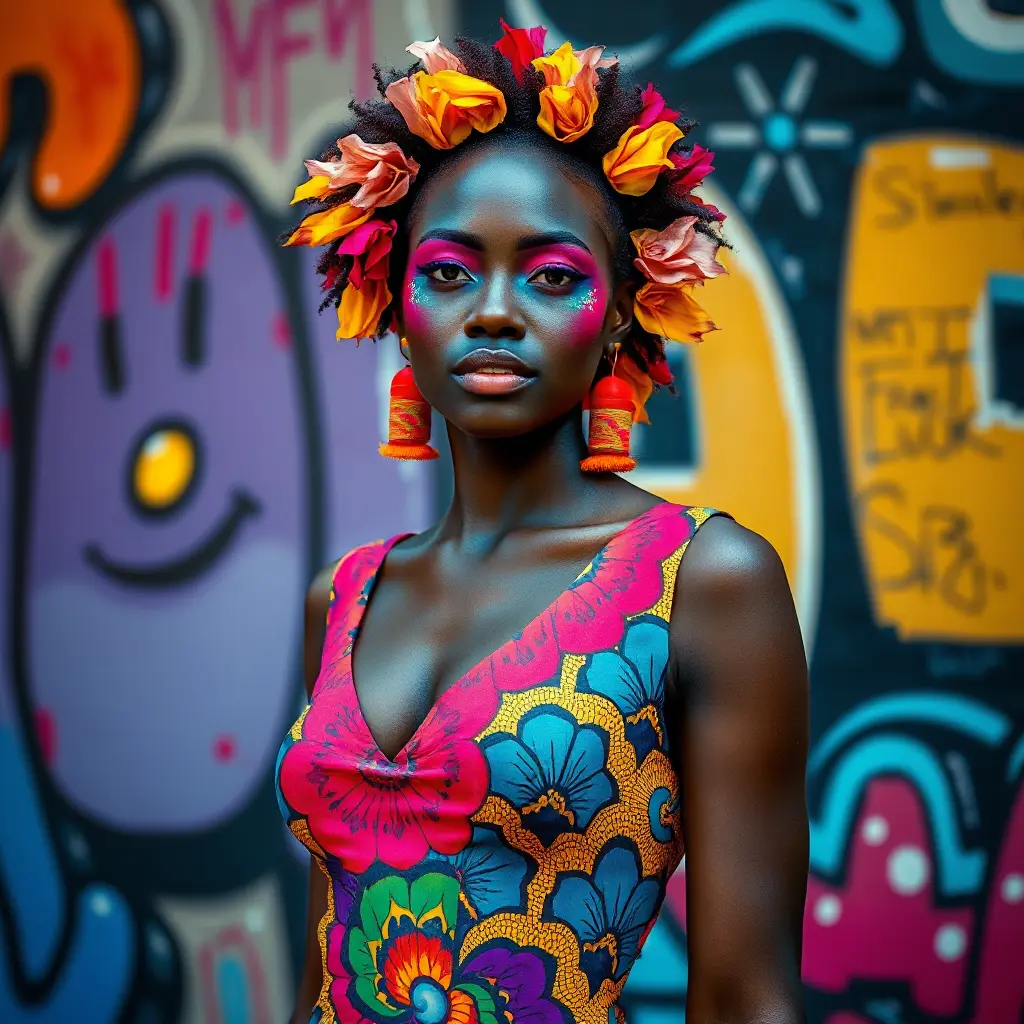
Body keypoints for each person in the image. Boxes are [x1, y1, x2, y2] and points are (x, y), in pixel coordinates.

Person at [276, 22, 808, 1024]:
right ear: (395, 305)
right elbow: (320, 964)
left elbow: (748, 995)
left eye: (551, 276)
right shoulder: (341, 597)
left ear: (619, 309)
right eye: (447, 272)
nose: (491, 310)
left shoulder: (706, 582)